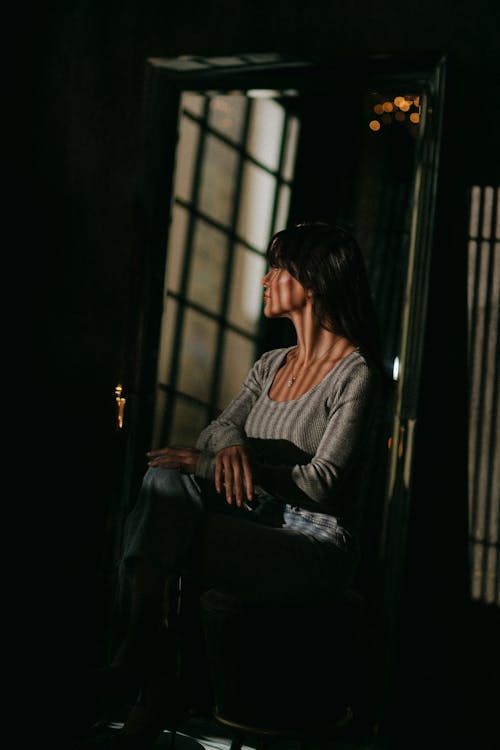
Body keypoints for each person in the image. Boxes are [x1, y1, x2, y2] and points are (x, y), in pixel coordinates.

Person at [84, 222, 381, 748]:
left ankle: (151, 670)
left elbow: (322, 484)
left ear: (310, 281)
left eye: (278, 268)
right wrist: (231, 449)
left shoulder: (355, 373)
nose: (265, 279)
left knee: (166, 516)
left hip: (314, 542)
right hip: (254, 520)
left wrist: (217, 463)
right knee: (161, 480)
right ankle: (150, 647)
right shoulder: (271, 365)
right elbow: (217, 429)